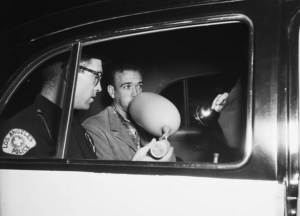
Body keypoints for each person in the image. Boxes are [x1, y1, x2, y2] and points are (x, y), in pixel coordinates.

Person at [0, 54, 103, 159]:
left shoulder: (75, 127)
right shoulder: (23, 129)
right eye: (96, 77)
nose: (99, 88)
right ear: (70, 73)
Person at [82, 63, 174, 161]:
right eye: (127, 86)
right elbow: (104, 175)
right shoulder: (94, 128)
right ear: (112, 91)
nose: (136, 93)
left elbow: (171, 164)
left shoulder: (149, 120)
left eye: (139, 86)